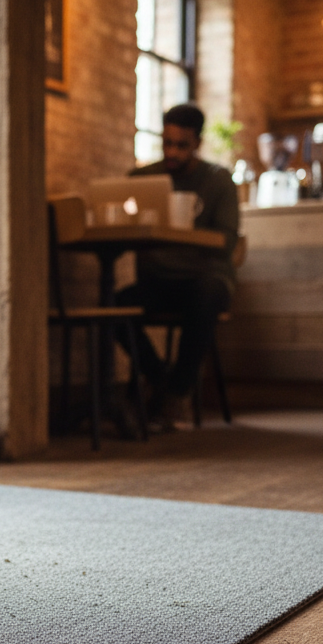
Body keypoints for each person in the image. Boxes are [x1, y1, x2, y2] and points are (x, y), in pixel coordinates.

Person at [114, 103, 238, 429]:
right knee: (115, 306)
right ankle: (163, 379)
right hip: (159, 282)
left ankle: (179, 394)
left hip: (204, 280)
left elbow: (227, 241)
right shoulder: (143, 179)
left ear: (197, 143)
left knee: (208, 293)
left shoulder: (218, 181)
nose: (172, 152)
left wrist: (181, 234)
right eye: (167, 143)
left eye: (181, 145)